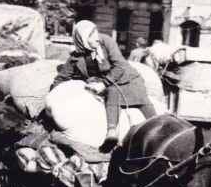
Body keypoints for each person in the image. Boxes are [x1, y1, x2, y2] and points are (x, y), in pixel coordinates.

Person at [52, 21, 154, 151]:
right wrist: (52, 96)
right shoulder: (77, 55)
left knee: (140, 100)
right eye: (90, 35)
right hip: (109, 86)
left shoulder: (106, 41)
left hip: (128, 80)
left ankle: (159, 126)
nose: (96, 37)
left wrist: (103, 83)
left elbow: (120, 66)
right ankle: (112, 134)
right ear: (81, 38)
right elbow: (62, 77)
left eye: (95, 32)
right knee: (112, 91)